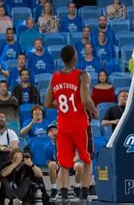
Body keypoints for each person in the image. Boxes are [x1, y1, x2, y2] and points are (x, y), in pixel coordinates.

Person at [45, 45, 98, 202]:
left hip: (63, 126)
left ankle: (63, 195)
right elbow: (84, 100)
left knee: (64, 163)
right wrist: (94, 110)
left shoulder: (54, 77)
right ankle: (84, 194)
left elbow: (47, 103)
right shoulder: (82, 75)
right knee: (86, 159)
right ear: (75, 57)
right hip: (80, 125)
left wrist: (62, 106)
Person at [44, 124, 59, 198]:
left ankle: (78, 188)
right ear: (48, 134)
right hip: (57, 166)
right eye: (51, 131)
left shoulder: (65, 143)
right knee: (52, 164)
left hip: (67, 164)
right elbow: (48, 162)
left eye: (55, 130)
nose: (53, 132)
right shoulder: (46, 147)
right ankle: (54, 188)